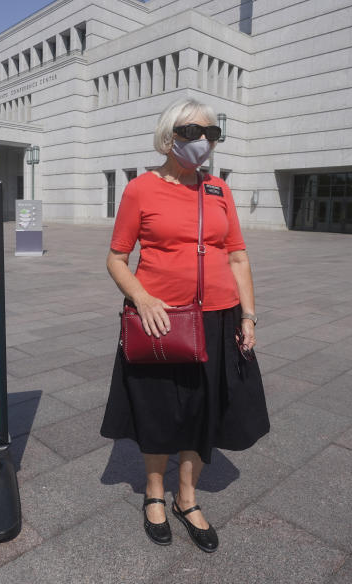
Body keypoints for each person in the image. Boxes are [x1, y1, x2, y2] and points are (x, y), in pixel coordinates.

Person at [100, 98, 270, 553]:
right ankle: (155, 493)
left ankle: (187, 498)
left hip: (217, 317)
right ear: (169, 135)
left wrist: (248, 314)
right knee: (158, 408)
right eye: (194, 133)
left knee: (202, 411)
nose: (204, 143)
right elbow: (117, 259)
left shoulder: (218, 190)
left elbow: (237, 256)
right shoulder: (141, 190)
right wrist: (141, 296)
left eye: (212, 135)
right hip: (162, 319)